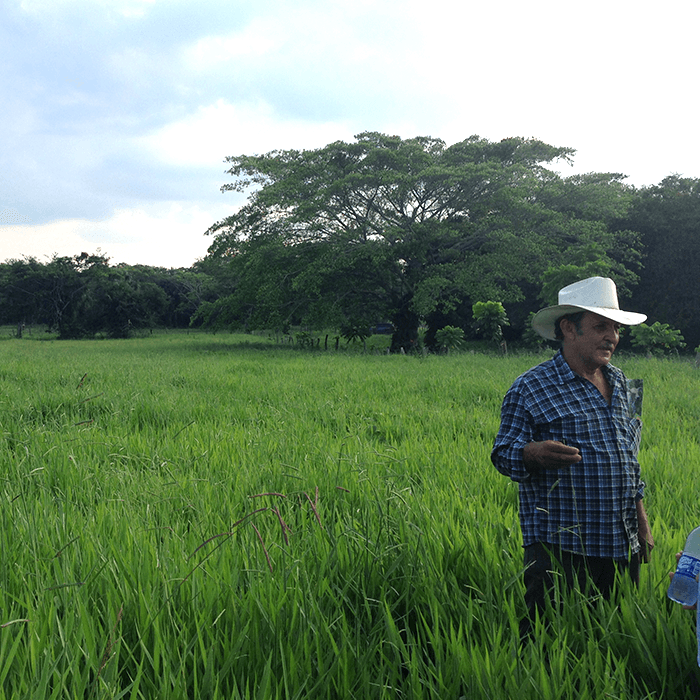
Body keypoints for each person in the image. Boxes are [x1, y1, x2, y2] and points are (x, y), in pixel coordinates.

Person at [491, 276, 654, 639]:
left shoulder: (622, 383)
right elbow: (503, 454)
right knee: (547, 642)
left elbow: (630, 459)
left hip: (620, 539)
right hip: (559, 545)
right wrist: (531, 454)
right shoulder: (530, 387)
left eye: (615, 328)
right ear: (568, 328)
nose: (611, 336)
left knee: (614, 637)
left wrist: (641, 522)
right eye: (600, 326)